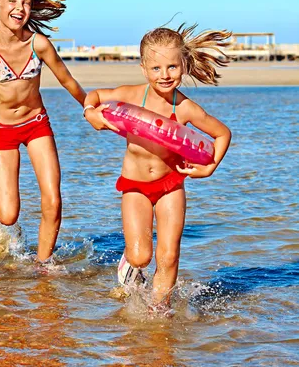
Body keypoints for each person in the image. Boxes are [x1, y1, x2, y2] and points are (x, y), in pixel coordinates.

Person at [83, 24, 232, 310]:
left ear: (184, 65)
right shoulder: (131, 94)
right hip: (135, 185)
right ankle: (130, 264)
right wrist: (90, 113)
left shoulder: (185, 108)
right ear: (144, 69)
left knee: (168, 256)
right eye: (156, 68)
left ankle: (158, 311)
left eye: (172, 67)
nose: (165, 75)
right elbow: (95, 96)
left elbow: (222, 133)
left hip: (171, 185)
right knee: (141, 256)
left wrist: (209, 167)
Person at [0, 0, 86, 263]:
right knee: (8, 215)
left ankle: (42, 265)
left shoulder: (39, 44)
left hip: (36, 124)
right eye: (12, 1)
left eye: (25, 2)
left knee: (53, 200)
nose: (19, 8)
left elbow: (68, 81)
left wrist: (90, 107)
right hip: (2, 129)